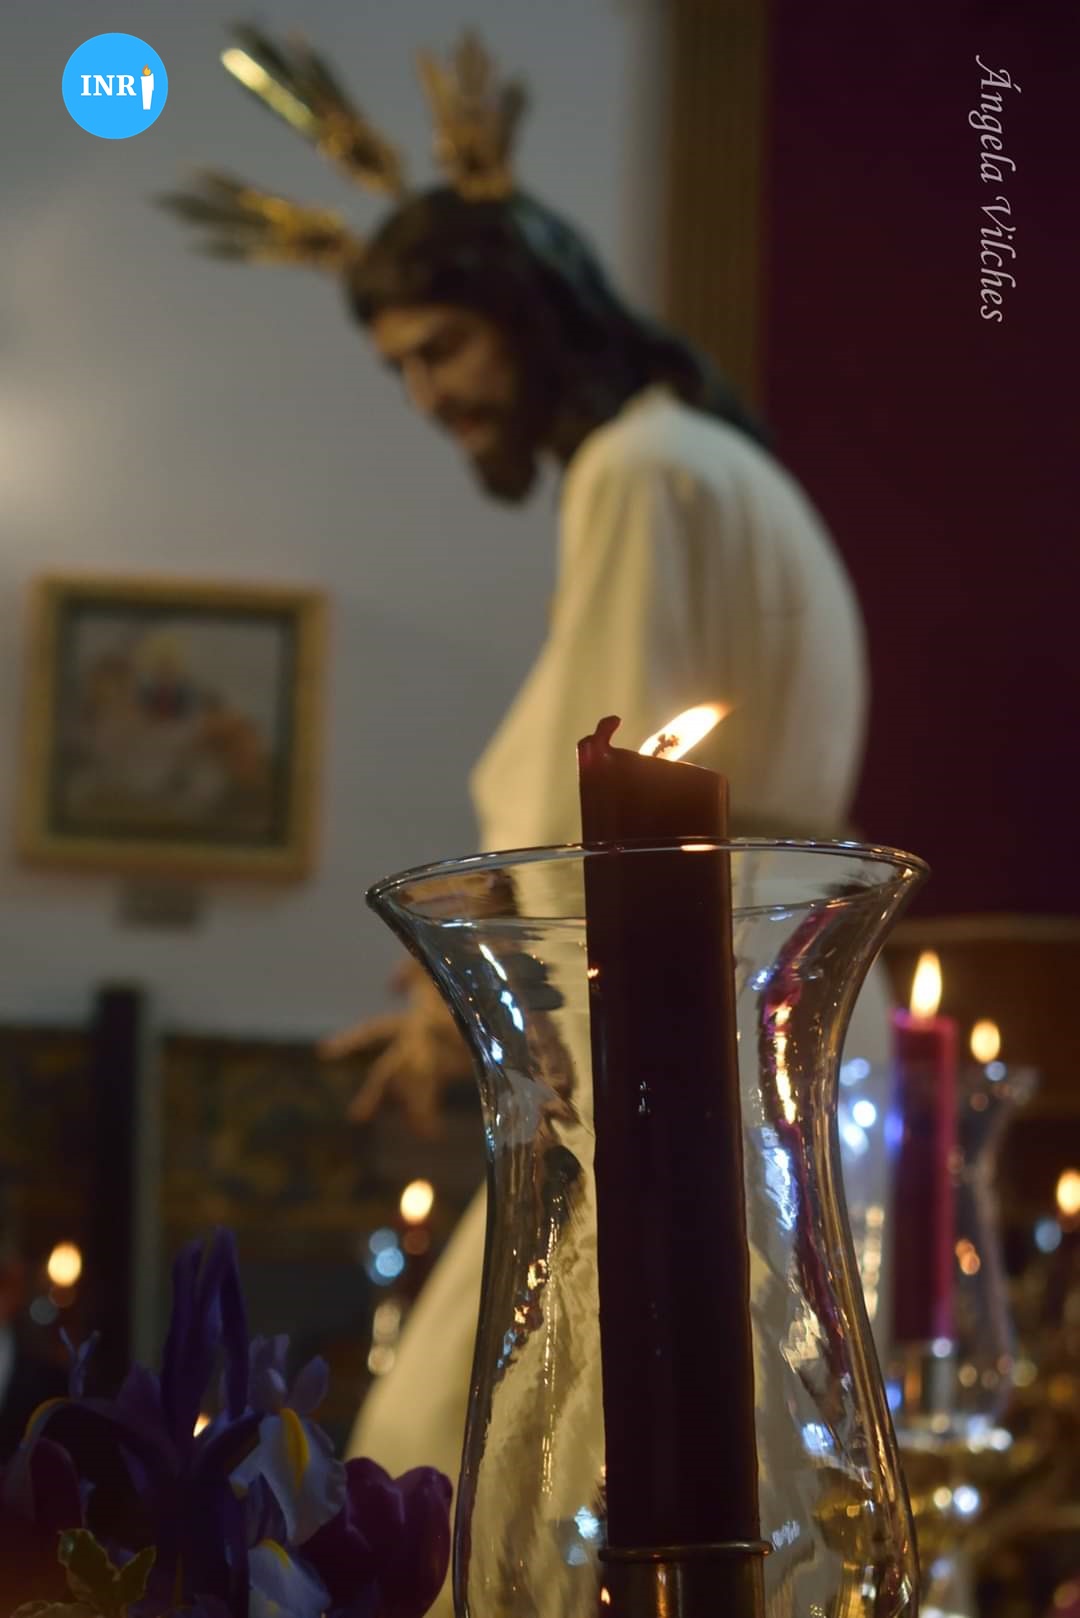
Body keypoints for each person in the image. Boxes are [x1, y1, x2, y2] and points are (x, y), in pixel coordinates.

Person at [164, 24, 895, 1591]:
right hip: (716, 1044)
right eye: (401, 369)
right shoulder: (675, 464)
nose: (428, 396)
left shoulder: (642, 471)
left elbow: (613, 835)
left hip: (685, 1069)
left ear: (533, 309)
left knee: (494, 1488)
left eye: (443, 349)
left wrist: (486, 1005)